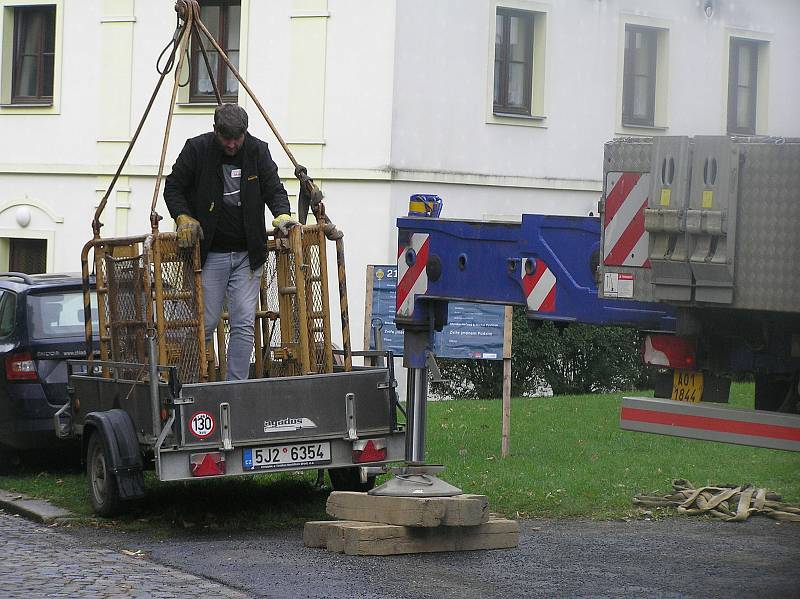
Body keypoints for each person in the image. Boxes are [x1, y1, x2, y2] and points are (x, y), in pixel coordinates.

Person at [164, 103, 297, 380]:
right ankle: (192, 383)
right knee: (205, 323)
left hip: (248, 255)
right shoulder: (197, 150)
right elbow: (173, 187)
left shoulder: (258, 151)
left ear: (245, 133)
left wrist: (282, 214)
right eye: (227, 138)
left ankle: (235, 387)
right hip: (209, 254)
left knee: (244, 323)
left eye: (238, 138)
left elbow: (274, 189)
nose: (233, 144)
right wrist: (183, 218)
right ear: (216, 132)